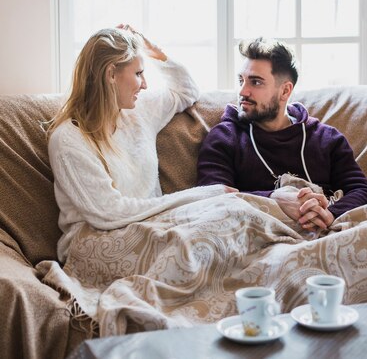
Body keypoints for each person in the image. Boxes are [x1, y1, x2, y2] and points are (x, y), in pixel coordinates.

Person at [47, 25, 232, 262]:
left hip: (151, 228)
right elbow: (109, 213)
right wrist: (201, 196)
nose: (144, 84)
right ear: (111, 74)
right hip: (95, 242)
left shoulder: (138, 112)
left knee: (229, 220)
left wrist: (153, 51)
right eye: (138, 74)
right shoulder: (68, 140)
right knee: (199, 246)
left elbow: (187, 91)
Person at [197, 37, 367, 231]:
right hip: (258, 238)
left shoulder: (327, 139)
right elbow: (212, 198)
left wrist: (330, 214)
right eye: (241, 80)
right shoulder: (224, 138)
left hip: (328, 233)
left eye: (255, 82)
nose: (243, 91)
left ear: (285, 91)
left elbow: (363, 191)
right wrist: (273, 200)